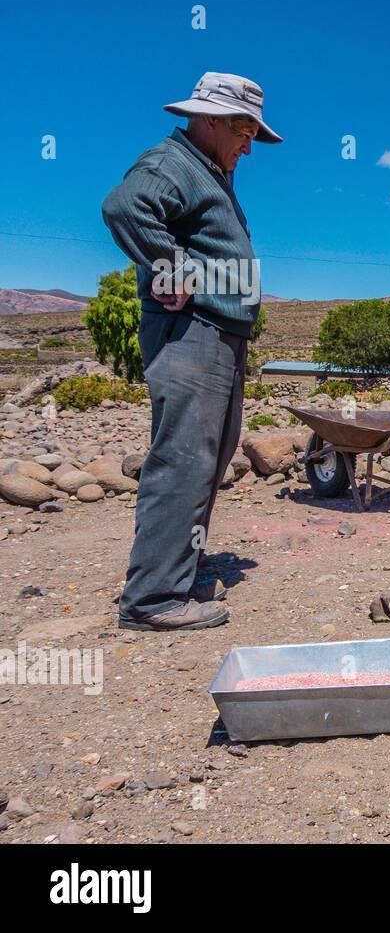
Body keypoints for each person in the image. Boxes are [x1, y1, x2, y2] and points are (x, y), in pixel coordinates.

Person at [102, 72, 282, 630]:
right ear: (207, 118)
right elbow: (125, 207)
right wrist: (171, 263)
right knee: (184, 455)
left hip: (220, 332)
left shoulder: (209, 171)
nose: (249, 144)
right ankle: (153, 598)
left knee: (212, 452)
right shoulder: (172, 163)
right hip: (192, 331)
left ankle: (179, 567)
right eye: (243, 129)